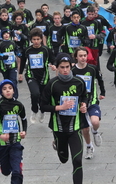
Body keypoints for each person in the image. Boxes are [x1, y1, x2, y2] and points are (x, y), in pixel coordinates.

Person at [40, 54, 88, 184]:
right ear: (57, 68)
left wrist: (84, 105)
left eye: (67, 67)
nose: (65, 70)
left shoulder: (79, 82)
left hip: (75, 127)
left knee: (77, 160)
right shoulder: (52, 84)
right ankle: (57, 143)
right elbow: (43, 106)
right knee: (64, 159)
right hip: (59, 127)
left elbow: (84, 96)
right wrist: (60, 107)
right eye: (62, 67)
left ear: (71, 66)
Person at [0, 79, 27, 184]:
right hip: (2, 143)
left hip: (15, 142)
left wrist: (24, 131)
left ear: (14, 90)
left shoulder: (19, 105)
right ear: (1, 92)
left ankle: (18, 170)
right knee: (6, 171)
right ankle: (5, 167)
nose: (8, 91)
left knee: (16, 171)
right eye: (4, 89)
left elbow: (24, 119)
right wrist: (0, 136)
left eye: (10, 88)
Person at [72, 47, 105, 159]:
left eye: (85, 55)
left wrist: (103, 92)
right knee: (85, 129)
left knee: (95, 122)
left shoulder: (92, 69)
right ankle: (89, 146)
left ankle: (95, 132)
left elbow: (100, 80)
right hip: (79, 103)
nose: (83, 58)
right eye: (80, 56)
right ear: (76, 57)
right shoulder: (73, 71)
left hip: (92, 100)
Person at [19, 28, 56, 124]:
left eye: (38, 39)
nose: (36, 41)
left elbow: (54, 59)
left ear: (41, 39)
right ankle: (34, 110)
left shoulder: (46, 50)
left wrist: (54, 65)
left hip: (44, 76)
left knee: (43, 97)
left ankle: (42, 111)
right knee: (35, 93)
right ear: (31, 39)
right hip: (31, 75)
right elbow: (22, 62)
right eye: (34, 39)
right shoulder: (27, 50)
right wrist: (20, 73)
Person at [0, 29, 20, 99]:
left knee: (13, 80)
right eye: (4, 34)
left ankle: (14, 97)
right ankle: (7, 96)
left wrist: (18, 53)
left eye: (8, 34)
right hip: (4, 67)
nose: (6, 35)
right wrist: (2, 56)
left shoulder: (13, 43)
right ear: (2, 35)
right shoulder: (0, 44)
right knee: (7, 81)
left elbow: (17, 50)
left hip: (13, 66)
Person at [11, 11, 29, 83]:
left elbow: (26, 37)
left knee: (22, 60)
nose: (18, 20)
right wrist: (13, 37)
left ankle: (20, 74)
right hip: (14, 45)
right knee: (17, 60)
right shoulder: (12, 26)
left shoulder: (24, 27)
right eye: (17, 19)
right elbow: (9, 33)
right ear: (15, 19)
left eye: (20, 19)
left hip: (23, 45)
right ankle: (17, 74)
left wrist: (20, 34)